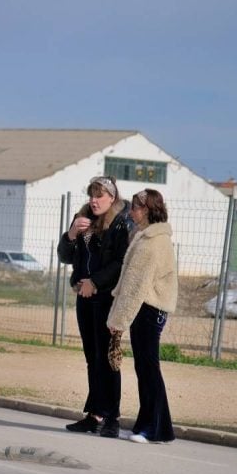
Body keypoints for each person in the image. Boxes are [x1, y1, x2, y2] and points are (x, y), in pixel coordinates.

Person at [57, 175, 131, 438]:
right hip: (84, 297)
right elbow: (65, 256)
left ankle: (112, 417)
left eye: (99, 195)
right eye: (91, 194)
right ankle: (94, 414)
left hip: (106, 297)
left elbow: (122, 261)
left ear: (112, 197)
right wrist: (72, 234)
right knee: (92, 358)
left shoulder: (122, 222)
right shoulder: (83, 217)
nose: (94, 200)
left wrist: (95, 282)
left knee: (108, 358)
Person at [108, 189, 178, 444]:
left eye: (136, 207)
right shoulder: (144, 236)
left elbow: (136, 285)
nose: (131, 211)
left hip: (149, 309)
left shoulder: (152, 241)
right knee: (144, 368)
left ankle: (155, 429)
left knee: (149, 369)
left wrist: (117, 321)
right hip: (145, 308)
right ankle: (149, 425)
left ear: (147, 209)